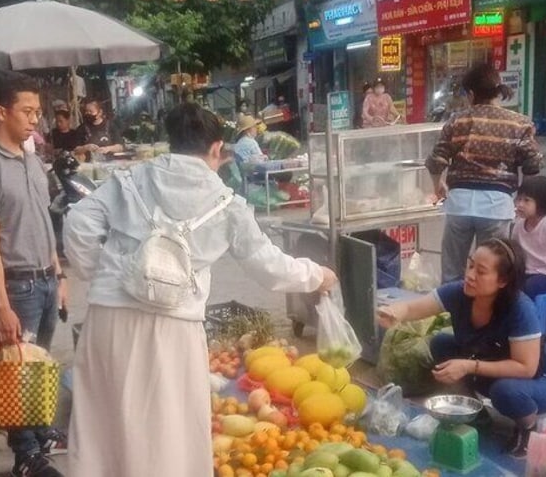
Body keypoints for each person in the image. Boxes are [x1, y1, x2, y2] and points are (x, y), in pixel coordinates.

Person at [63, 103, 339, 477]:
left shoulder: (131, 180)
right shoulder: (227, 203)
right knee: (168, 430)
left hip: (109, 319)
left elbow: (78, 222)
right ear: (215, 148)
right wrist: (315, 274)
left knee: (104, 424)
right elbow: (268, 266)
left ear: (172, 142)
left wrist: (107, 277)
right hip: (171, 328)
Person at [377, 238, 546, 458]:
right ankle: (479, 416)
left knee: (505, 392)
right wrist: (395, 311)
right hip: (493, 366)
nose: (470, 275)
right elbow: (412, 308)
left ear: (503, 280)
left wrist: (468, 366)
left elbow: (526, 368)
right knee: (440, 343)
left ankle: (528, 428)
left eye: (481, 271)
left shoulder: (520, 309)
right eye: (471, 265)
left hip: (541, 381)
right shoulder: (460, 293)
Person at [0, 72, 67, 477]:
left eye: (37, 113)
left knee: (36, 364)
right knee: (15, 371)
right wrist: (2, 304)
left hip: (45, 278)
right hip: (18, 283)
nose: (34, 121)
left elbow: (44, 221)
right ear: (0, 111)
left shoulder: (32, 160)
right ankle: (24, 453)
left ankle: (40, 432)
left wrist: (60, 275)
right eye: (27, 112)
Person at [426, 63, 542, 283]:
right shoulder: (519, 123)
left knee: (452, 272)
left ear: (471, 94)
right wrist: (523, 197)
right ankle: (486, 316)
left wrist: (438, 185)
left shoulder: (457, 120)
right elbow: (532, 164)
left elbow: (436, 160)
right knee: (489, 273)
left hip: (459, 204)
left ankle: (452, 314)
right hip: (496, 207)